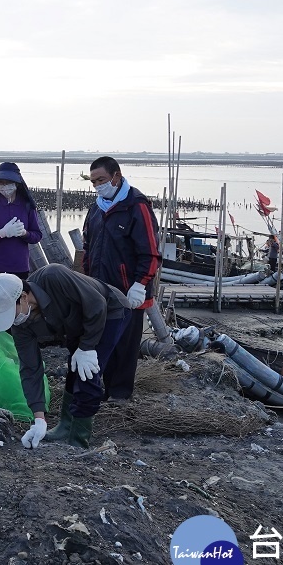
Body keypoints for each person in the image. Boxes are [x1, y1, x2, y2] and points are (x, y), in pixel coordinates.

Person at [0, 267, 130, 449]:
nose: (11, 320)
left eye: (10, 312)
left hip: (109, 311)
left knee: (88, 373)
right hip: (77, 324)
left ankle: (78, 440)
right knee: (75, 367)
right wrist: (39, 418)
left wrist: (87, 346)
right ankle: (65, 426)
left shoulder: (54, 277)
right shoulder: (20, 324)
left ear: (23, 297)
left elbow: (96, 303)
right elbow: (30, 368)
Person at [82, 156, 161, 401]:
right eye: (93, 181)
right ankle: (99, 391)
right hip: (99, 289)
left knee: (125, 346)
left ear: (116, 176)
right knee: (101, 342)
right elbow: (88, 245)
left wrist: (140, 284)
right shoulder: (96, 208)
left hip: (128, 292)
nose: (97, 186)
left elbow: (150, 251)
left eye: (102, 180)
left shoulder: (136, 206)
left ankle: (119, 396)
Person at [0, 162, 43, 283]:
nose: (4, 186)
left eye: (7, 182)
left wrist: (24, 233)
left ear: (16, 183)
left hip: (20, 268)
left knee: (18, 301)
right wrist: (1, 233)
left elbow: (37, 236)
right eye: (0, 182)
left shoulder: (27, 205)